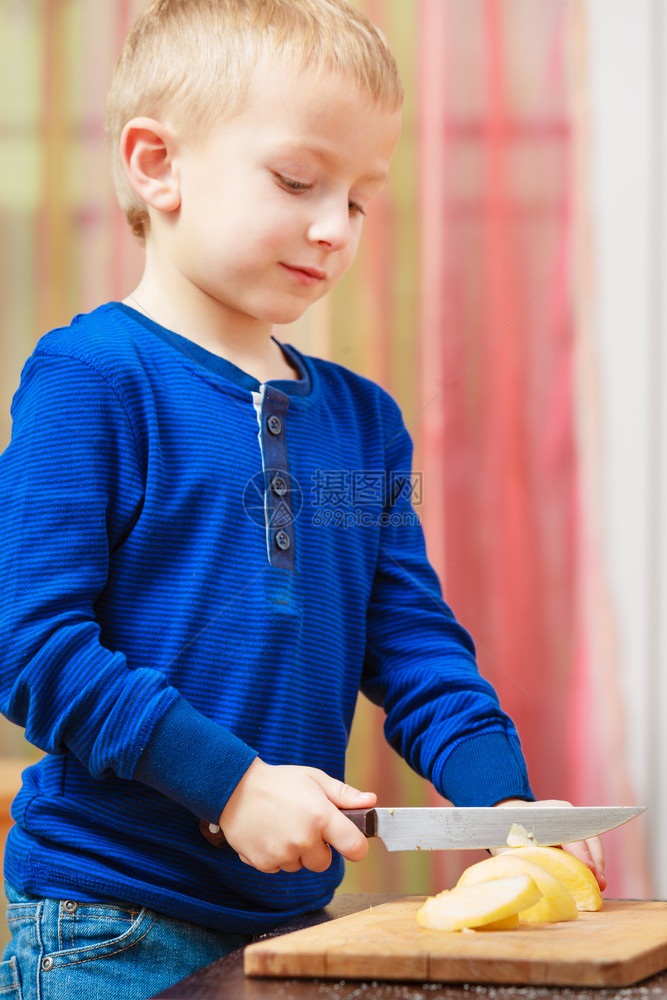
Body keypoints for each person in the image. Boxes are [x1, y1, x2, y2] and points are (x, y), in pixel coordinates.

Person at [0, 1, 605, 997]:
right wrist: (227, 783)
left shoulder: (361, 424)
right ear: (157, 165)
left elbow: (411, 651)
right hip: (106, 926)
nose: (334, 228)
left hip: (289, 926)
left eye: (362, 200)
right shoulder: (89, 379)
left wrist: (512, 821)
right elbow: (32, 646)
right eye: (297, 180)